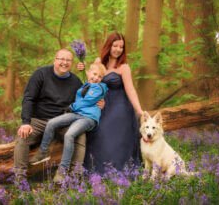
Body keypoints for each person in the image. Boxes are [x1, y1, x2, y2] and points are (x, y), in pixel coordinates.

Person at [13, 49, 84, 186]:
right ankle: (20, 178)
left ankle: (75, 177)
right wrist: (26, 122)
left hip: (62, 121)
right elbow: (29, 98)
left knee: (80, 135)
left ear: (72, 63)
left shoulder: (76, 82)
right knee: (23, 136)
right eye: (61, 59)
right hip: (39, 119)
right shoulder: (41, 74)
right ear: (54, 60)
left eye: (68, 60)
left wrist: (99, 101)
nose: (64, 62)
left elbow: (84, 101)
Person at [29, 63, 108, 182]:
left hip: (88, 118)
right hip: (76, 114)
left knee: (69, 135)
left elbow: (85, 102)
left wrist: (70, 107)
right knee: (51, 123)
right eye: (95, 74)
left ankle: (62, 171)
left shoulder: (99, 88)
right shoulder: (85, 85)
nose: (96, 78)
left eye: (100, 76)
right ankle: (43, 152)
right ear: (89, 73)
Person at [83, 32, 144, 174]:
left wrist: (140, 111)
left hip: (119, 107)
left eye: (121, 47)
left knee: (110, 135)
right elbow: (90, 81)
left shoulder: (124, 67)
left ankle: (118, 174)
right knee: (95, 134)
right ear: (108, 46)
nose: (118, 49)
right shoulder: (99, 63)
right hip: (101, 106)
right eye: (115, 45)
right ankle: (96, 174)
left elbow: (131, 90)